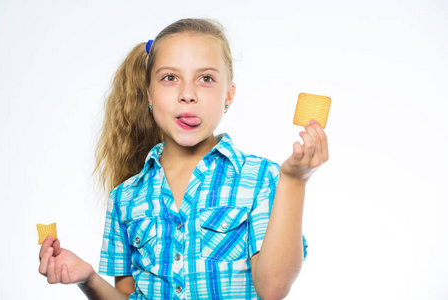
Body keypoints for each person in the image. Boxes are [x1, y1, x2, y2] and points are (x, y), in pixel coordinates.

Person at [38, 18, 329, 300]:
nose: (187, 94)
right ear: (149, 94)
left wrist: (294, 181)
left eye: (205, 79)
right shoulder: (125, 197)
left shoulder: (261, 178)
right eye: (170, 78)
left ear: (229, 95)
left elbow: (273, 288)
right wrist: (87, 277)